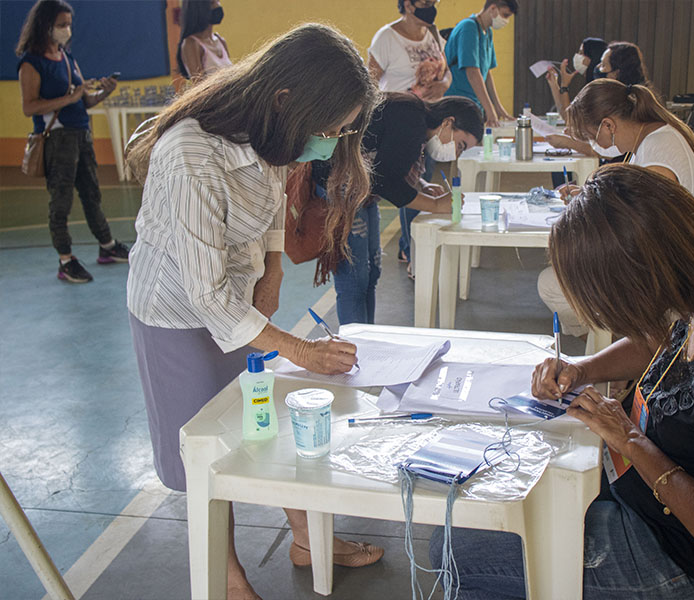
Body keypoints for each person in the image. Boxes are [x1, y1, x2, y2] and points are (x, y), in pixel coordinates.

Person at [431, 164, 694, 599]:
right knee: (484, 506)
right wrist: (582, 369)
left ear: (643, 281)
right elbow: (661, 339)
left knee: (452, 549)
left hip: (680, 556)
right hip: (642, 498)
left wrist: (631, 441)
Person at [126, 24, 384, 598]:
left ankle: (307, 538)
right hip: (177, 316)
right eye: (328, 129)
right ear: (286, 99)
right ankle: (228, 574)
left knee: (267, 425)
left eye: (340, 131)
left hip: (238, 302)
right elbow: (205, 298)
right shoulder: (191, 153)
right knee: (205, 451)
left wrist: (272, 273)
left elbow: (271, 214)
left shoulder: (271, 134)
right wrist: (300, 350)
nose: (328, 142)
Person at [539, 79, 694, 338]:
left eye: (591, 136)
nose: (593, 143)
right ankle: (615, 341)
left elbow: (641, 234)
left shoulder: (658, 152)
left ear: (608, 125)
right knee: (564, 273)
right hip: (668, 260)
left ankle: (618, 341)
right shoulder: (653, 139)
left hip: (668, 274)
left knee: (553, 284)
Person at [315, 93, 484, 325]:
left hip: (360, 191)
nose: (457, 153)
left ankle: (367, 340)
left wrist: (422, 185)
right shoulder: (412, 120)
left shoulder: (416, 121)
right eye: (461, 144)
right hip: (341, 187)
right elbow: (385, 182)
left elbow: (389, 164)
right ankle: (355, 349)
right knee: (354, 280)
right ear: (448, 122)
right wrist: (434, 205)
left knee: (371, 272)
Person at [16, 0, 129, 284]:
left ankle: (106, 245)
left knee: (91, 194)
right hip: (58, 140)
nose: (67, 30)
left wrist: (102, 93)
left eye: (69, 24)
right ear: (45, 26)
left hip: (81, 135)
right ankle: (66, 259)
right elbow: (29, 107)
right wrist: (69, 99)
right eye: (61, 25)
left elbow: (85, 101)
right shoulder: (31, 62)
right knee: (61, 201)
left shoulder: (67, 57)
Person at [368, 0, 453, 265]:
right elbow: (368, 83)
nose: (431, 7)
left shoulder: (433, 33)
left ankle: (418, 245)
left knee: (422, 179)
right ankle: (410, 247)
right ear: (407, 4)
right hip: (398, 125)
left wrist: (443, 87)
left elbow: (446, 72)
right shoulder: (386, 38)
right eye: (425, 2)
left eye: (434, 2)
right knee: (401, 181)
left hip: (427, 121)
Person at [544, 40, 655, 158]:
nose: (598, 67)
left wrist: (569, 142)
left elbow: (611, 152)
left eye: (603, 65)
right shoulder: (613, 96)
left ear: (615, 73)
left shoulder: (620, 104)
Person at [443, 0, 517, 127]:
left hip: (474, 104)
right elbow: (472, 72)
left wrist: (498, 108)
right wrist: (490, 110)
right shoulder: (468, 27)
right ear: (493, 8)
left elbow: (487, 73)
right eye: (505, 15)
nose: (506, 21)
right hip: (457, 103)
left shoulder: (487, 32)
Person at [544, 37, 608, 121]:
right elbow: (564, 113)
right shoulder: (589, 86)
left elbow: (570, 120)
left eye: (581, 53)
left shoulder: (598, 88)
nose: (577, 56)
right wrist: (554, 84)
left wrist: (564, 85)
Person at [176, 0, 232, 80]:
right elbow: (199, 85)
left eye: (218, 1)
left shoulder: (221, 41)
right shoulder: (191, 44)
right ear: (199, 9)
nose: (218, 6)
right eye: (212, 3)